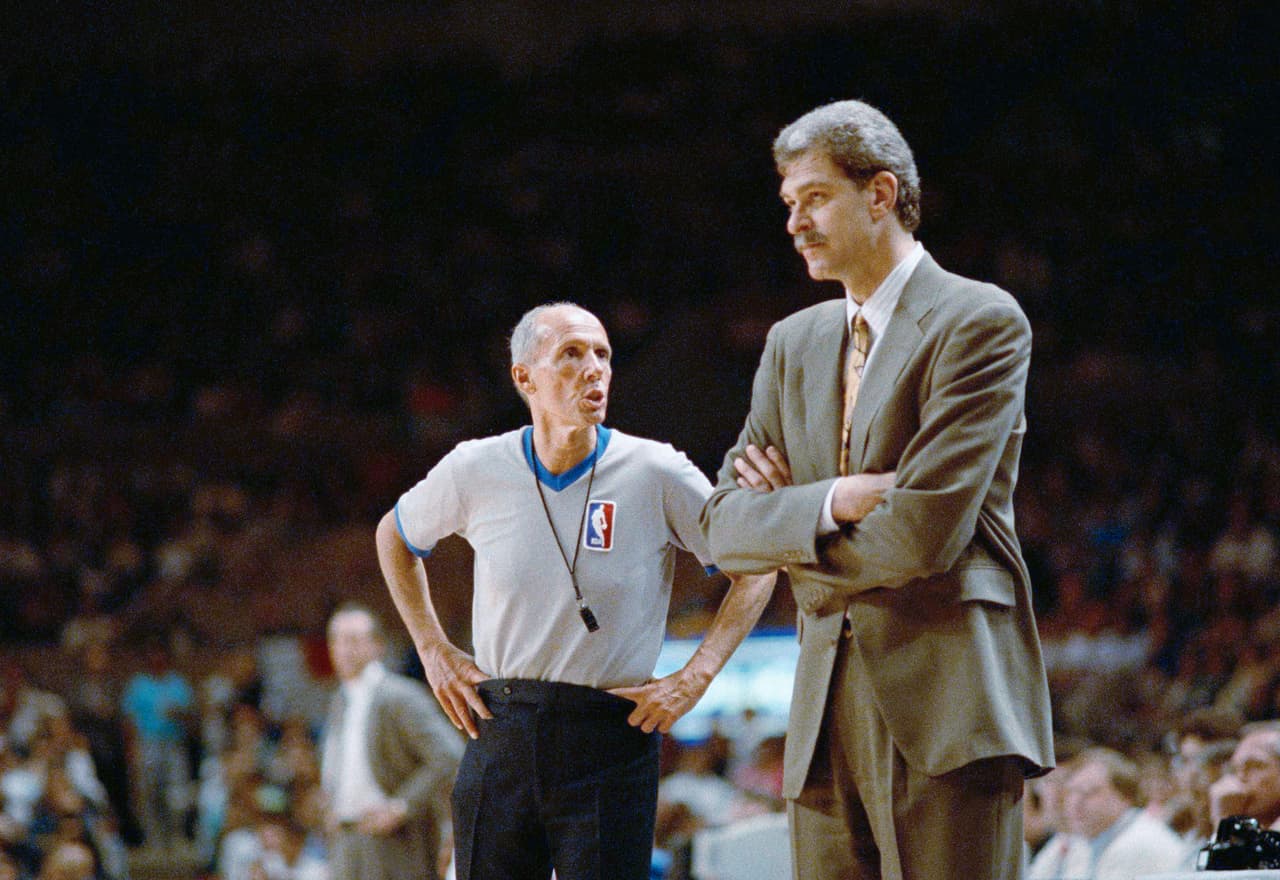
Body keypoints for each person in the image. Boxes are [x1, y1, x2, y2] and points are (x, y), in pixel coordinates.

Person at [700, 99, 1055, 879]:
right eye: (789, 204)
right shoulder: (792, 343)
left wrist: (788, 534)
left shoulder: (980, 320)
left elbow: (924, 535)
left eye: (815, 197)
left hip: (949, 704)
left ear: (882, 194)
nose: (795, 221)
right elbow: (721, 527)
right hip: (821, 715)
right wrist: (835, 502)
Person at [376, 302, 776, 880]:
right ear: (524, 377)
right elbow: (394, 534)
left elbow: (758, 565)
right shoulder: (475, 467)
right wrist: (433, 649)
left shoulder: (655, 470)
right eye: (571, 354)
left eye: (603, 355)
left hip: (612, 734)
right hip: (503, 722)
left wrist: (695, 676)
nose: (595, 369)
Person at [319, 603, 462, 880]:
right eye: (336, 640)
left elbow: (449, 753)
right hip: (345, 837)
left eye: (353, 640)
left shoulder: (399, 696)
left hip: (393, 841)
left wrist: (401, 806)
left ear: (377, 646)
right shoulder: (340, 698)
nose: (343, 649)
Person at [1037, 748, 1182, 880]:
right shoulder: (1083, 841)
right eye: (1073, 791)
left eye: (1089, 792)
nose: (1076, 802)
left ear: (1124, 797)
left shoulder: (1139, 842)